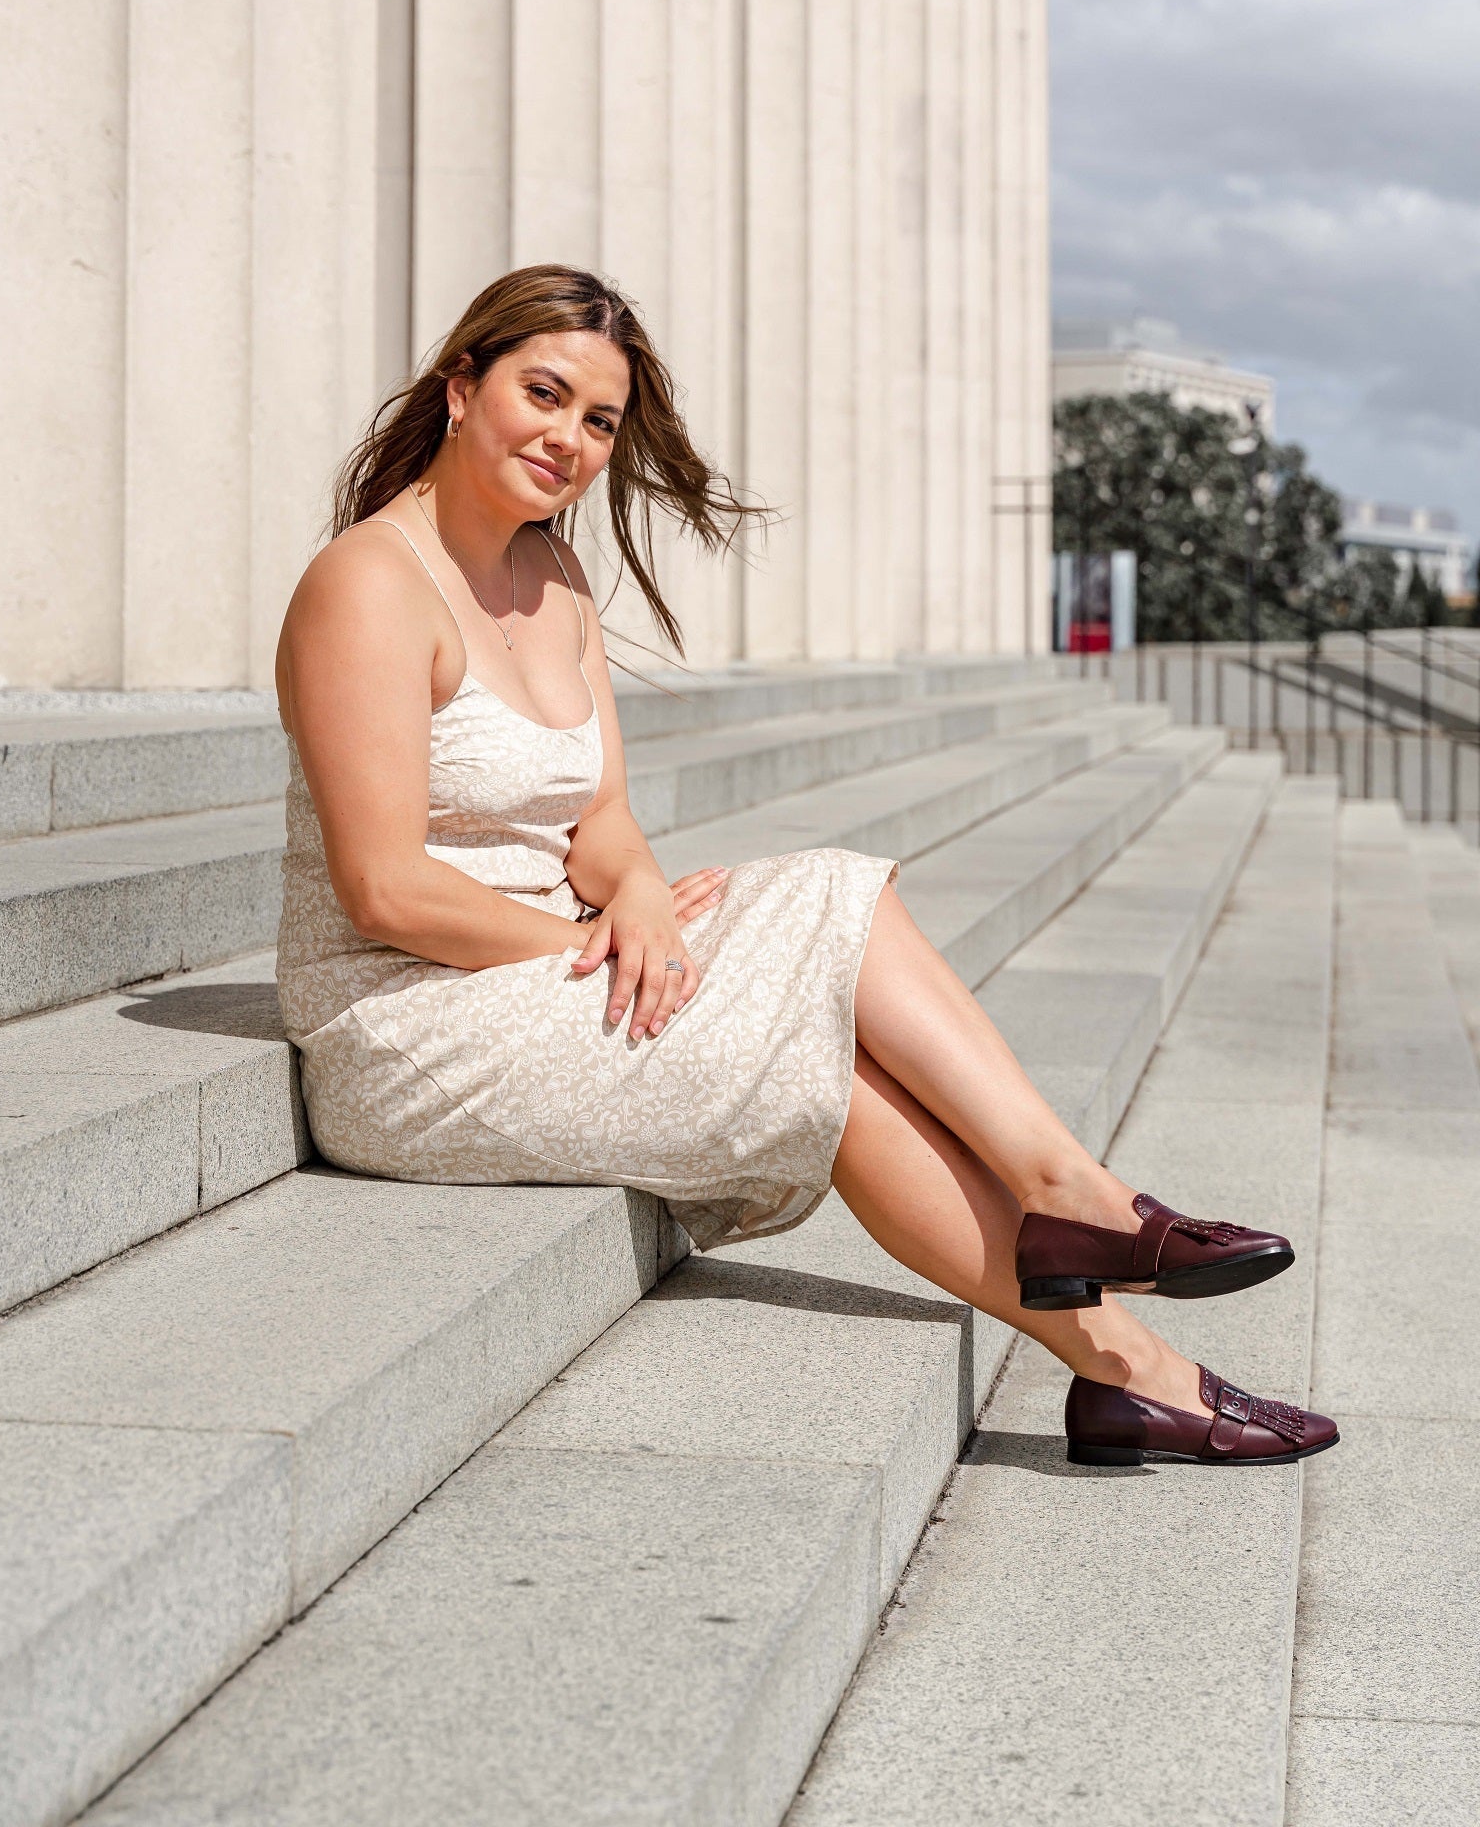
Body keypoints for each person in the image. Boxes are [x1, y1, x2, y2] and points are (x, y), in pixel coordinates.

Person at [274, 263, 1336, 1471]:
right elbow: (384, 889)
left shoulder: (553, 577)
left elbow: (602, 815)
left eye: (600, 421)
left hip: (544, 967)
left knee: (837, 944)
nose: (568, 438)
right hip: (409, 1022)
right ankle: (1095, 1255)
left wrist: (631, 894)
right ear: (461, 386)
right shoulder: (365, 584)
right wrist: (608, 943)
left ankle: (1119, 1337)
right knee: (823, 984)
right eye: (544, 393)